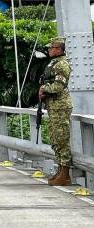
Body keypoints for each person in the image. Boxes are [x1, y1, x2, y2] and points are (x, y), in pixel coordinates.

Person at [39, 36, 73, 186]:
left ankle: (65, 174)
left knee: (61, 139)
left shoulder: (62, 65)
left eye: (51, 48)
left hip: (60, 106)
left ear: (58, 49)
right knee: (55, 138)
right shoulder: (54, 63)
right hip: (54, 106)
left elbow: (58, 87)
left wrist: (43, 89)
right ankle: (60, 171)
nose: (49, 50)